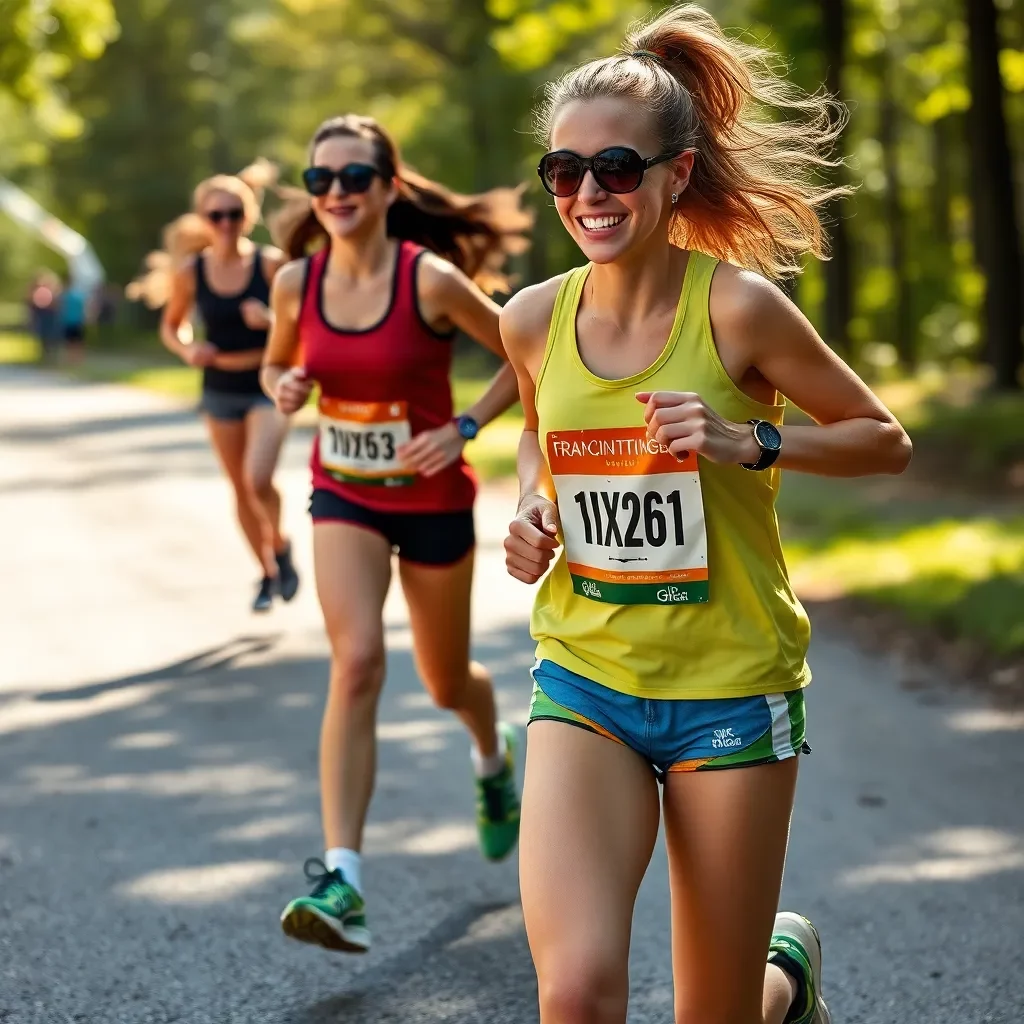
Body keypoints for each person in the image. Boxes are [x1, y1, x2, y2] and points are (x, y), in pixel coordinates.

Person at [500, 6, 913, 1024]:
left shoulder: (737, 309)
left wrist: (750, 440)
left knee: (715, 1014)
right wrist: (533, 498)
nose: (588, 194)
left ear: (675, 175)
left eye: (615, 168)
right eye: (564, 171)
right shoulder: (530, 318)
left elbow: (881, 438)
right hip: (586, 672)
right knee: (578, 991)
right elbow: (536, 429)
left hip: (730, 689)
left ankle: (784, 980)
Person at [262, 114, 531, 954]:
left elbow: (527, 354)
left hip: (433, 499)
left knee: (447, 681)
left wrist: (465, 425)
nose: (334, 193)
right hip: (344, 494)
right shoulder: (293, 285)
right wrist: (283, 385)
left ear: (386, 187)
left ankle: (494, 755)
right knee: (358, 662)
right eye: (320, 180)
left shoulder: (432, 281)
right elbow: (274, 364)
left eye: (351, 178)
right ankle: (343, 879)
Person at [127, 160, 300, 613]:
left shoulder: (271, 266)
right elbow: (173, 326)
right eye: (215, 216)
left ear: (248, 216)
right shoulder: (191, 272)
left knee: (257, 477)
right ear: (203, 220)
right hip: (219, 387)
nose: (225, 224)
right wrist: (188, 351)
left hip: (267, 383)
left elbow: (305, 324)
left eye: (233, 214)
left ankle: (279, 544)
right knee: (240, 489)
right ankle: (266, 570)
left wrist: (271, 320)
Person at [59, 276, 88, 365]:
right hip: (77, 321)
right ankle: (77, 359)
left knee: (69, 342)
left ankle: (70, 359)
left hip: (68, 321)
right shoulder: (79, 295)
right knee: (78, 342)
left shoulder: (64, 296)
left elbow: (61, 308)